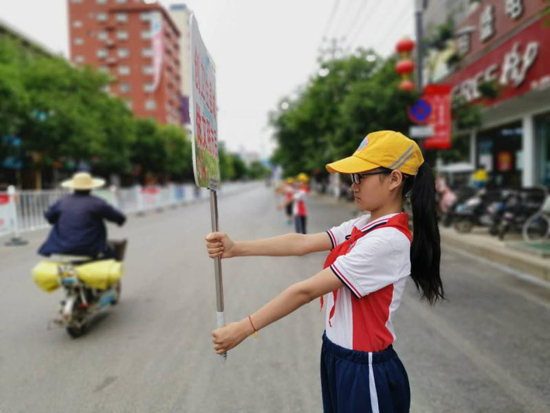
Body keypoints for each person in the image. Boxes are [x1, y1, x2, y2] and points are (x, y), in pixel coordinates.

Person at [205, 130, 444, 412]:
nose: (353, 186)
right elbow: (302, 243)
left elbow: (305, 291)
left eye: (360, 176)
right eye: (352, 177)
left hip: (364, 368)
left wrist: (244, 328)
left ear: (394, 179)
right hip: (336, 354)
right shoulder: (363, 225)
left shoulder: (388, 240)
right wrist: (236, 248)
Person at [38, 172, 126, 259]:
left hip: (59, 248)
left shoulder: (62, 201)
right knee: (113, 254)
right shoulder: (97, 202)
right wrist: (119, 221)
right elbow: (119, 218)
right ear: (91, 187)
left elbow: (49, 217)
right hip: (90, 248)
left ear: (73, 187)